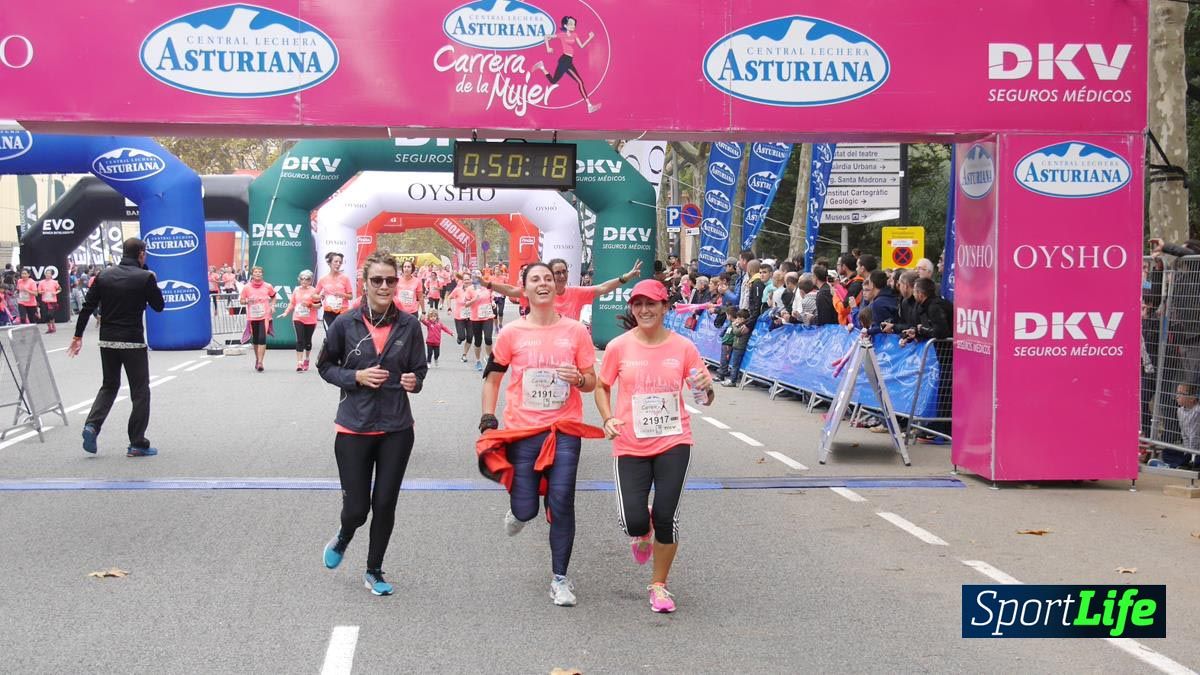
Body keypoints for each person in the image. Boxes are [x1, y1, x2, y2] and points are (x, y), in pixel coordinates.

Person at [477, 261, 601, 607]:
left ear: (556, 287)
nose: (544, 283)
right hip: (522, 429)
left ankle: (560, 579)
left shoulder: (575, 331)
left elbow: (591, 382)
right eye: (536, 279)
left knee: (562, 501)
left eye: (548, 278)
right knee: (527, 508)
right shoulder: (511, 333)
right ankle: (519, 512)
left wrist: (579, 379)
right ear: (525, 289)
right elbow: (493, 378)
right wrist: (488, 416)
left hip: (564, 428)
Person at [594, 280, 713, 613]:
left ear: (664, 308)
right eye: (638, 304)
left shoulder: (683, 347)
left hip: (674, 440)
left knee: (666, 516)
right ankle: (641, 529)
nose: (644, 310)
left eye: (651, 304)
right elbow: (602, 386)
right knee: (632, 521)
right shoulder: (619, 346)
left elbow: (704, 397)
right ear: (632, 309)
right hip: (630, 443)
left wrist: (705, 389)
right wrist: (607, 418)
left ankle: (659, 585)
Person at [318, 250, 427, 596]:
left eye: (390, 280)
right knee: (357, 510)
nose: (384, 286)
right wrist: (356, 377)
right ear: (364, 283)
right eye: (377, 280)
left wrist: (414, 381)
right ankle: (344, 534)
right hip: (354, 427)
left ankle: (374, 570)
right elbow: (325, 366)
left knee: (384, 503)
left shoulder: (409, 325)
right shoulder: (345, 323)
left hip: (396, 427)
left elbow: (419, 369)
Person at [68, 238, 165, 457]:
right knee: (140, 391)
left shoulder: (104, 275)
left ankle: (92, 425)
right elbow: (159, 306)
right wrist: (151, 279)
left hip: (108, 340)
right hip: (132, 340)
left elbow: (87, 307)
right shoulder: (145, 277)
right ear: (141, 254)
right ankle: (137, 442)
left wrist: (77, 336)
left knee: (109, 385)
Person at [488, 258, 643, 321]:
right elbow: (510, 290)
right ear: (550, 275)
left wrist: (625, 277)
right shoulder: (540, 291)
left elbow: (602, 288)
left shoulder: (576, 293)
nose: (562, 276)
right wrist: (487, 284)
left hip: (570, 349)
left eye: (564, 272)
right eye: (557, 273)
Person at [279, 270, 322, 372]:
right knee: (300, 340)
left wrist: (310, 305)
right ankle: (299, 363)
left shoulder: (314, 291)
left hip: (310, 320)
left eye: (307, 279)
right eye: (302, 279)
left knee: (308, 341)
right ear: (299, 279)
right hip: (298, 318)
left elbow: (319, 305)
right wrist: (286, 312)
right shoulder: (296, 290)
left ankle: (307, 358)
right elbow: (292, 303)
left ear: (310, 280)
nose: (304, 281)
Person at [240, 266, 276, 372]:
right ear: (252, 274)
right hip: (253, 316)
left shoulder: (268, 286)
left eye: (260, 272)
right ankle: (257, 358)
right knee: (255, 339)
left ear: (262, 274)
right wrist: (248, 301)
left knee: (262, 338)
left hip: (264, 316)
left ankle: (260, 362)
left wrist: (272, 306)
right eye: (255, 272)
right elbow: (241, 301)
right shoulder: (247, 287)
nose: (258, 274)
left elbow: (274, 296)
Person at [317, 252, 354, 331]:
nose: (338, 264)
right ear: (329, 263)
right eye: (336, 261)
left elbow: (351, 296)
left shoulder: (345, 278)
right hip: (329, 312)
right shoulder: (323, 279)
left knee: (341, 335)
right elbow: (314, 295)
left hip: (342, 312)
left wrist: (342, 294)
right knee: (330, 334)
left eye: (340, 262)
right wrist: (320, 296)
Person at [466, 275, 496, 371]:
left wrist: (493, 303)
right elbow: (466, 304)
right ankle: (478, 360)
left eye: (479, 276)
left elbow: (491, 297)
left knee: (488, 338)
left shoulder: (487, 287)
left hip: (487, 316)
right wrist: (475, 299)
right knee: (478, 341)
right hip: (476, 318)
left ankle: (488, 358)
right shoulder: (470, 289)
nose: (477, 278)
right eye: (475, 277)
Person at [37, 269, 62, 333]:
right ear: (45, 274)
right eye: (46, 273)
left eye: (49, 273)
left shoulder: (54, 282)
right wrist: (42, 292)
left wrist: (55, 292)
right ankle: (49, 328)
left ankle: (53, 325)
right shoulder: (41, 282)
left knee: (50, 314)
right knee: (46, 315)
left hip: (52, 301)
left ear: (51, 275)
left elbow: (60, 289)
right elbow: (38, 291)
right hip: (44, 300)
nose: (47, 274)